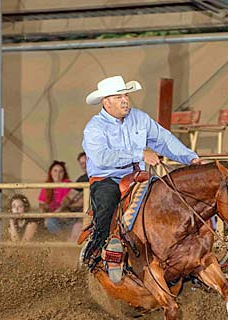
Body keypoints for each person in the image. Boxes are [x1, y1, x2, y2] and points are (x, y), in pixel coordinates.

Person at [81, 75, 202, 268]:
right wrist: (139, 154)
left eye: (126, 95)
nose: (125, 100)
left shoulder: (139, 118)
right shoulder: (94, 128)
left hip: (140, 178)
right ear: (106, 101)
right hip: (108, 178)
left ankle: (179, 253)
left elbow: (164, 140)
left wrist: (190, 158)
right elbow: (102, 157)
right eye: (119, 97)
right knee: (107, 203)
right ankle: (97, 253)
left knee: (168, 197)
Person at [38, 160, 75, 237]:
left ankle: (64, 240)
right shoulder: (47, 185)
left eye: (61, 171)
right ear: (50, 172)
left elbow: (68, 202)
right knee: (49, 221)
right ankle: (64, 239)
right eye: (55, 171)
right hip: (53, 218)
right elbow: (41, 204)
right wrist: (45, 214)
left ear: (64, 173)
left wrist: (57, 212)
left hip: (67, 218)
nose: (57, 174)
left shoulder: (67, 183)